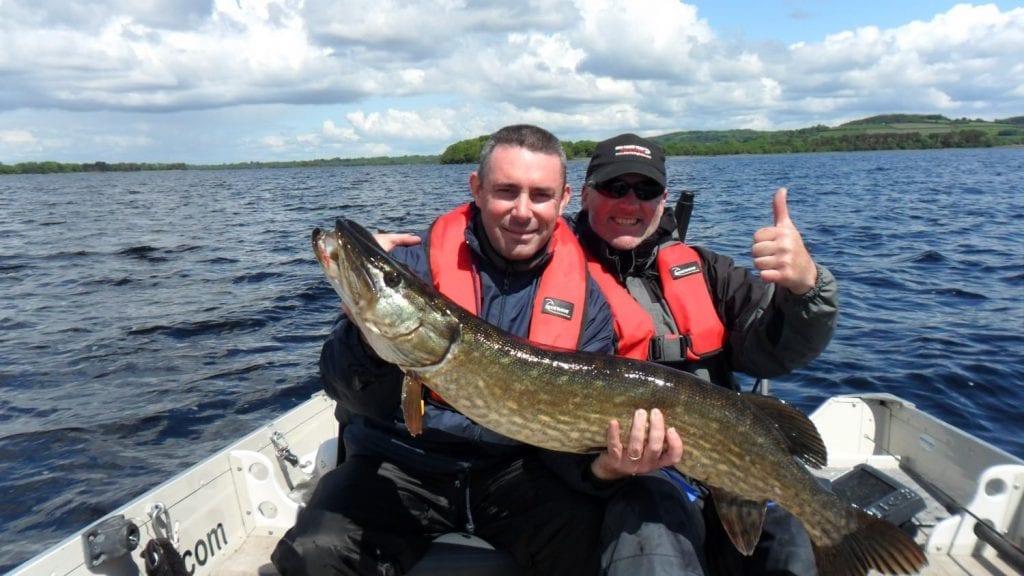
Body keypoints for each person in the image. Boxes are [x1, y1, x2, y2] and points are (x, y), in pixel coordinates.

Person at [271, 124, 622, 576]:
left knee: (603, 541)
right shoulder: (413, 264)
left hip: (518, 472)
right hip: (401, 466)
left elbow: (569, 446)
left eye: (539, 195)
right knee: (316, 550)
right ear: (476, 189)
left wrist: (605, 470)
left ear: (564, 199)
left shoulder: (589, 303)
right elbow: (350, 394)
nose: (522, 211)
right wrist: (363, 331)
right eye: (505, 191)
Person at [574, 133, 839, 575]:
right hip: (633, 476)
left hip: (729, 460)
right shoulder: (557, 281)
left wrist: (806, 289)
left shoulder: (708, 270)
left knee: (792, 541)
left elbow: (775, 351)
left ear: (663, 201)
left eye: (647, 191)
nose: (630, 203)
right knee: (653, 538)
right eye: (615, 188)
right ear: (584, 196)